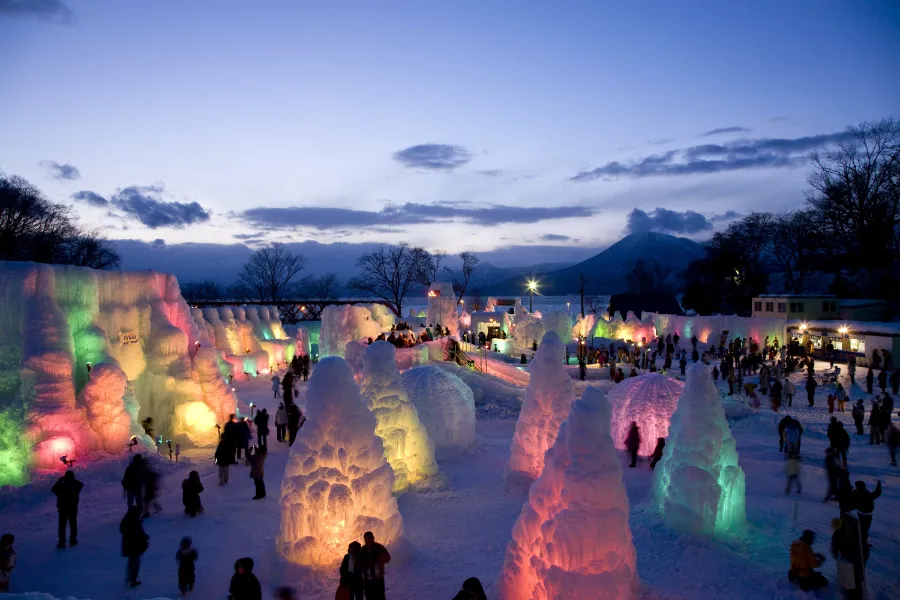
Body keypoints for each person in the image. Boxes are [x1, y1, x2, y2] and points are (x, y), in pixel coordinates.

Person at [51, 469, 83, 549]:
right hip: (73, 508)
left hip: (63, 509)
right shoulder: (76, 485)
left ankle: (62, 543)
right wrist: (72, 479)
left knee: (62, 526)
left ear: (65, 477)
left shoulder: (61, 486)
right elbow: (81, 484)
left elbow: (53, 489)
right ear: (73, 477)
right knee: (73, 525)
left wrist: (60, 480)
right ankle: (73, 541)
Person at [120, 506, 149, 588]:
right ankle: (133, 580)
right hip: (135, 547)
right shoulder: (134, 523)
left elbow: (122, 529)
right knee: (135, 564)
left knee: (131, 562)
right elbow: (139, 535)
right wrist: (144, 538)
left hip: (128, 546)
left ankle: (130, 577)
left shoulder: (127, 520)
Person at [850, 480, 882, 548]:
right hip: (867, 514)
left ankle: (860, 539)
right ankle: (863, 543)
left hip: (860, 512)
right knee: (865, 529)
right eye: (864, 485)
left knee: (862, 527)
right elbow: (877, 493)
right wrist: (879, 486)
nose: (865, 486)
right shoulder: (866, 494)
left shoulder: (855, 492)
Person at [361, 531, 391, 600]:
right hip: (367, 579)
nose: (368, 540)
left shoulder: (379, 547)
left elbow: (388, 558)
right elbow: (359, 563)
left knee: (380, 597)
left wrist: (378, 556)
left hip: (378, 578)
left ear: (373, 538)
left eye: (369, 538)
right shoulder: (362, 550)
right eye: (366, 539)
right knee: (369, 597)